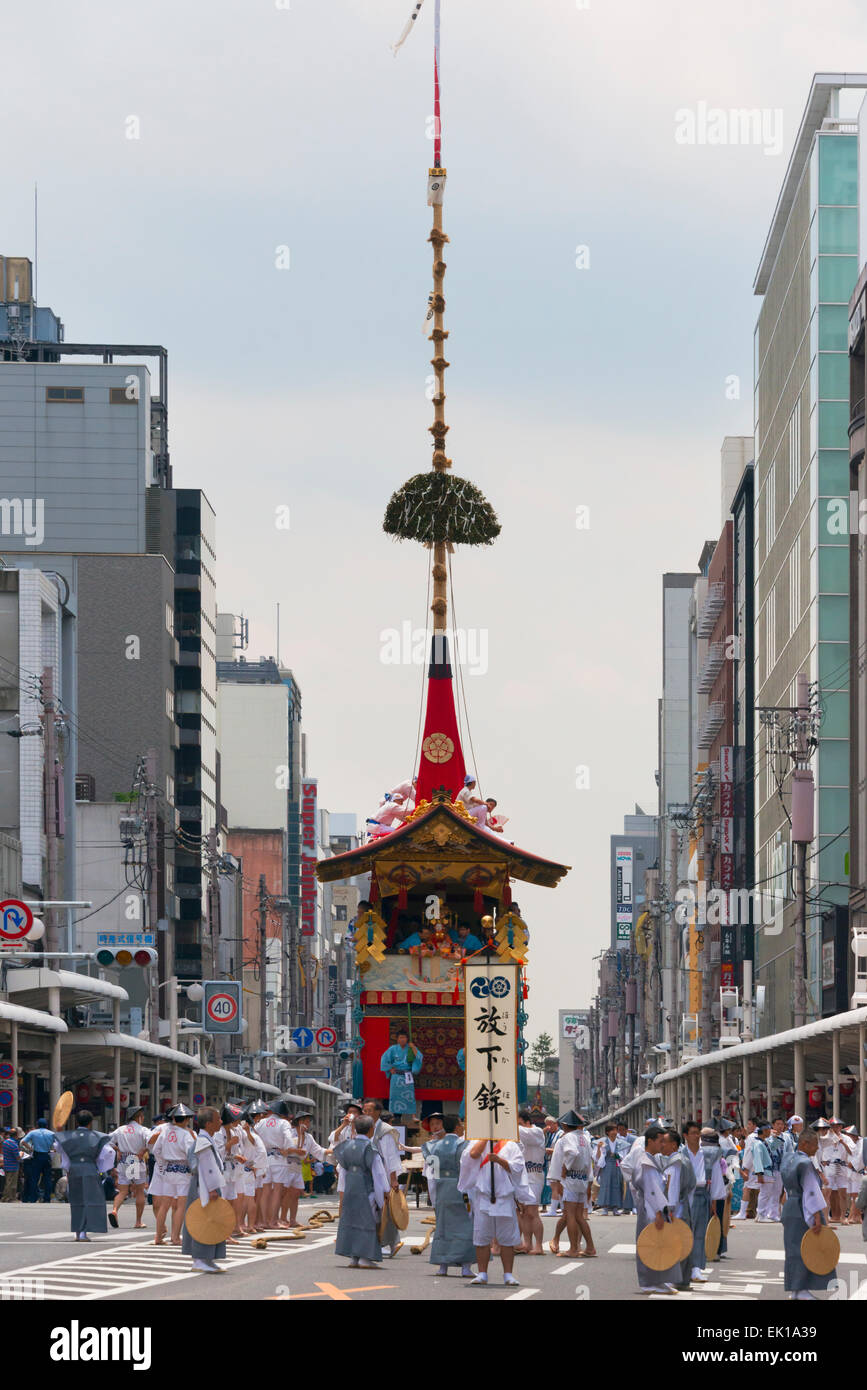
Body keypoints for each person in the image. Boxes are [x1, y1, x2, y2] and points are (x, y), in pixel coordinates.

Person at [459, 1135, 526, 1287]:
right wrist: (485, 1138)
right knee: (481, 1236)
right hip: (483, 1196)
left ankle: (508, 1274)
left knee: (507, 1239)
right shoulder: (478, 1142)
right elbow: (473, 1155)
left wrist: (499, 1160)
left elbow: (517, 1168)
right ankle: (482, 1273)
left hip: (504, 1197)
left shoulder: (511, 1145)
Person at [782, 1127, 836, 1300]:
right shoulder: (805, 1163)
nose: (816, 1148)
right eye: (814, 1145)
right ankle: (801, 1290)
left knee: (793, 1250)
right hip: (802, 1207)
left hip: (790, 1206)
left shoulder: (787, 1158)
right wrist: (817, 1216)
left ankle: (796, 1290)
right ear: (804, 1143)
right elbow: (811, 1191)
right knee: (807, 1249)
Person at [333, 1114, 390, 1269]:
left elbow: (342, 1171)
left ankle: (353, 1257)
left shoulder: (346, 1146)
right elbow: (378, 1175)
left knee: (351, 1220)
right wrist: (384, 1195)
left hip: (350, 1188)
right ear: (371, 1129)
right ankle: (365, 1258)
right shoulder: (370, 1148)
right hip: (366, 1189)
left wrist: (343, 1191)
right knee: (367, 1221)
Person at [628, 1124, 678, 1295]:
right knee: (649, 1244)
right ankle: (649, 1281)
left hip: (654, 1206)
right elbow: (651, 1189)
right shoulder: (646, 1162)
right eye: (660, 1141)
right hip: (650, 1208)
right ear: (650, 1141)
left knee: (658, 1245)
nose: (663, 1145)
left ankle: (657, 1280)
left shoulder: (651, 1159)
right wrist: (658, 1212)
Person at [423, 1115, 474, 1277]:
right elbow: (469, 1168)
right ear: (457, 1127)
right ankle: (466, 1267)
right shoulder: (464, 1145)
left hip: (441, 1189)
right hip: (460, 1188)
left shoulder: (434, 1147)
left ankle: (442, 1266)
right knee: (464, 1226)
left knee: (443, 1227)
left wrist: (434, 1195)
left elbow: (431, 1172)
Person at [54, 1110, 115, 1242]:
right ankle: (84, 1233)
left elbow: (58, 1148)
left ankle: (78, 1232)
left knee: (76, 1201)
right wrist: (100, 1166)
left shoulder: (67, 1136)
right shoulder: (98, 1136)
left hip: (74, 1169)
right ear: (90, 1122)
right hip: (90, 1168)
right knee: (91, 1200)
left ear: (76, 1121)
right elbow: (109, 1153)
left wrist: (68, 1164)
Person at [182, 1106, 228, 1275]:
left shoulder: (205, 1139)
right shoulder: (203, 1141)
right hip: (204, 1187)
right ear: (209, 1124)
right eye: (218, 1119)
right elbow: (206, 1168)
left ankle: (206, 1259)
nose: (221, 1122)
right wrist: (212, 1188)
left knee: (210, 1222)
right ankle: (200, 1259)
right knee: (204, 1222)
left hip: (205, 1186)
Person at [548, 1111, 596, 1258]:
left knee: (570, 1216)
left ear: (564, 1125)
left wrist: (565, 1168)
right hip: (581, 1177)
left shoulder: (569, 1137)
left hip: (571, 1178)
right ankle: (590, 1248)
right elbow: (589, 1159)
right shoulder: (584, 1138)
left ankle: (573, 1249)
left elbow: (572, 1153)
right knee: (579, 1216)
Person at [149, 1104, 196, 1245]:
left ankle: (158, 1237)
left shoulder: (164, 1131)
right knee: (181, 1206)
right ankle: (175, 1237)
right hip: (182, 1171)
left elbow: (156, 1150)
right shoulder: (186, 1134)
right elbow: (191, 1154)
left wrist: (162, 1165)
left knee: (165, 1205)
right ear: (187, 1120)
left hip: (168, 1170)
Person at [660, 1128, 696, 1291]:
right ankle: (682, 1279)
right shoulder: (683, 1159)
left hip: (677, 1209)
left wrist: (669, 1210)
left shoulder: (675, 1162)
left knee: (675, 1244)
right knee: (684, 1243)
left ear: (674, 1145)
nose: (661, 1145)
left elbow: (672, 1189)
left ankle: (674, 1278)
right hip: (685, 1206)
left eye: (664, 1142)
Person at [107, 1104, 151, 1230]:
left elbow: (108, 1140)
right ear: (139, 1117)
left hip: (124, 1161)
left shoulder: (120, 1129)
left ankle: (115, 1210)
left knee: (123, 1191)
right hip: (135, 1160)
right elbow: (152, 1141)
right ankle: (138, 1221)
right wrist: (144, 1149)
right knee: (139, 1192)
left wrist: (118, 1149)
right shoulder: (143, 1130)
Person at [255, 1099, 295, 1229]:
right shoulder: (284, 1123)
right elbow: (289, 1139)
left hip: (265, 1157)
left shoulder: (261, 1122)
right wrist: (288, 1149)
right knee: (277, 1190)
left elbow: (254, 1136)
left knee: (265, 1190)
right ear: (282, 1113)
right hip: (279, 1158)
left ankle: (264, 1221)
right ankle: (273, 1221)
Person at [516, 1107, 546, 1255]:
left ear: (528, 1122)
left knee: (533, 1212)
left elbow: (524, 1134)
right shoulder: (521, 1134)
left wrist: (510, 1126)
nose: (519, 1127)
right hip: (522, 1176)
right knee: (524, 1212)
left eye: (520, 1123)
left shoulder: (537, 1132)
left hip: (534, 1176)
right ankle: (527, 1244)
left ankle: (539, 1245)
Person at [379, 1028, 423, 1120]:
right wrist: (390, 1068)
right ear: (397, 1039)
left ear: (407, 1039)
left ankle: (413, 1115)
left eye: (404, 1037)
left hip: (407, 1075)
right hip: (396, 1075)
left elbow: (419, 1057)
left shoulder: (411, 1048)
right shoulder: (393, 1049)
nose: (402, 1039)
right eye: (400, 1038)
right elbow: (384, 1058)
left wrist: (413, 1047)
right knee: (394, 1095)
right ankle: (393, 1114)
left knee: (410, 1096)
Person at [700, 1127, 730, 1258]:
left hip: (708, 1193)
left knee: (710, 1221)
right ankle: (716, 1249)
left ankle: (711, 1249)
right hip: (716, 1193)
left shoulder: (704, 1153)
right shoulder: (717, 1154)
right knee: (717, 1222)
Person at [20, 1118, 56, 1203]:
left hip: (37, 1156)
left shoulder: (33, 1132)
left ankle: (33, 1198)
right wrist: (53, 1150)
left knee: (34, 1178)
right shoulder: (51, 1133)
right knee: (47, 1178)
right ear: (46, 1125)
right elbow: (57, 1144)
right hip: (46, 1156)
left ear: (37, 1125)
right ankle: (47, 1198)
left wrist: (31, 1149)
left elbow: (23, 1142)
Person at [594, 1123, 623, 1215]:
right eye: (612, 1130)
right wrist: (599, 1148)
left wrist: (616, 1155)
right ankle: (605, 1207)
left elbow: (623, 1155)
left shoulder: (620, 1142)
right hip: (606, 1166)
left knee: (616, 1185)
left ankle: (615, 1207)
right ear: (607, 1132)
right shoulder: (603, 1142)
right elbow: (597, 1157)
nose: (615, 1132)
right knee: (605, 1185)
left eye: (616, 1130)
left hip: (616, 1165)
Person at [2, 1126, 21, 1201]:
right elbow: (17, 1157)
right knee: (12, 1183)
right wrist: (21, 1155)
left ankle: (6, 1197)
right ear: (16, 1136)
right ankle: (9, 1197)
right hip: (13, 1166)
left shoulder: (5, 1142)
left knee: (7, 1182)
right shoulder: (14, 1145)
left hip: (6, 1164)